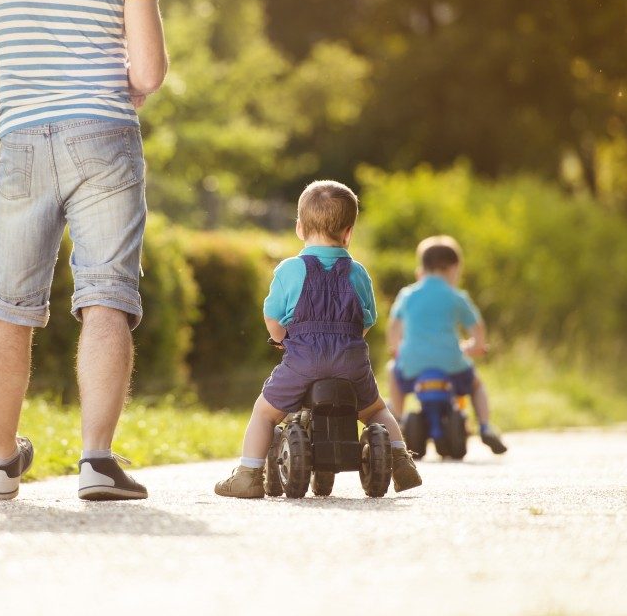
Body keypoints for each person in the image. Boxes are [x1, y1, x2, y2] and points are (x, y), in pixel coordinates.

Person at [0, 0, 177, 502]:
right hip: (102, 136)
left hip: (22, 141)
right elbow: (148, 71)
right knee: (107, 296)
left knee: (8, 303)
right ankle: (95, 463)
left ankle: (3, 464)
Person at [215, 181, 423, 498]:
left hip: (303, 360)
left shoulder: (290, 269)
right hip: (351, 362)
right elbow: (367, 319)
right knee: (376, 411)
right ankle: (401, 460)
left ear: (300, 227)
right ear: (349, 232)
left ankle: (248, 474)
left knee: (265, 413)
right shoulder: (358, 272)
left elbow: (272, 315)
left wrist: (281, 339)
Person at [387, 236, 508, 455]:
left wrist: (397, 350)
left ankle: (399, 418)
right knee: (476, 385)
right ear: (454, 268)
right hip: (451, 364)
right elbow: (477, 328)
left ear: (422, 268)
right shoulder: (456, 297)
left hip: (413, 365)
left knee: (392, 371)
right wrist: (476, 346)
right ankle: (485, 426)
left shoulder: (407, 295)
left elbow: (394, 327)